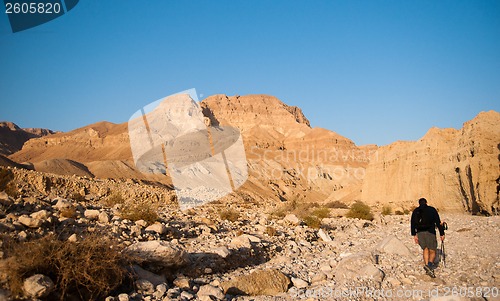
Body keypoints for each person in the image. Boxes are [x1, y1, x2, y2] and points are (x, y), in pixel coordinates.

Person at [410, 198, 445, 278]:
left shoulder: (415, 211)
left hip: (420, 233)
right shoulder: (432, 210)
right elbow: (438, 222)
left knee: (425, 249)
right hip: (430, 232)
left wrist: (414, 235)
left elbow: (412, 223)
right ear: (426, 202)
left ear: (419, 203)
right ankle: (429, 265)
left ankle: (426, 265)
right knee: (432, 250)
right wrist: (441, 233)